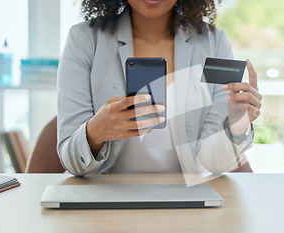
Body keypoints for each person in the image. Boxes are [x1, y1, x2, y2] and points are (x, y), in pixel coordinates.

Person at [57, 0, 262, 176]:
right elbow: (71, 162)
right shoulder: (84, 39)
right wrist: (95, 132)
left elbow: (214, 164)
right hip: (104, 203)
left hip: (186, 203)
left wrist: (237, 127)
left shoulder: (214, 42)